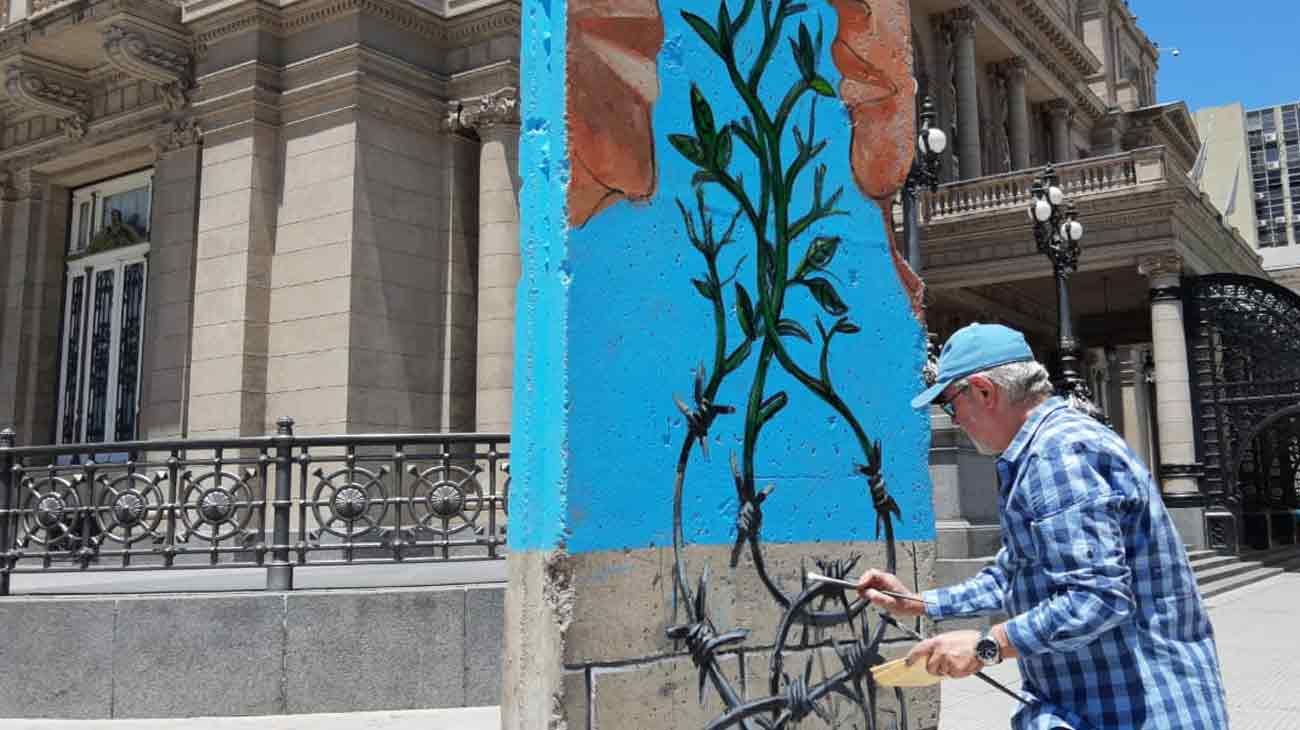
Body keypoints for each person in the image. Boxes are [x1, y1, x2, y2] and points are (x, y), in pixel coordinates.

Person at [857, 323, 1228, 730]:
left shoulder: (1057, 455)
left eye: (949, 404)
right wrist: (922, 604)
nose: (954, 419)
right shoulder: (1042, 451)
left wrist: (986, 646)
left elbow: (1097, 598)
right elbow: (1014, 573)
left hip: (1134, 712)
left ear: (984, 391)